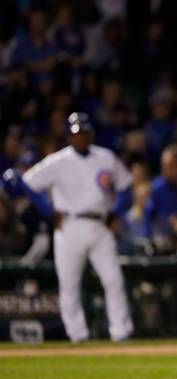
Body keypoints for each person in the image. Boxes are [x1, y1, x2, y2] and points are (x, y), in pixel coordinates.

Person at [5, 112, 133, 343]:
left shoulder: (105, 157)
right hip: (69, 225)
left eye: (84, 132)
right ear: (69, 136)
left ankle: (120, 332)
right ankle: (77, 335)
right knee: (69, 285)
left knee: (113, 279)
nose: (81, 137)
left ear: (91, 134)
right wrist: (47, 211)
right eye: (77, 133)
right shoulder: (57, 161)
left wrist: (116, 213)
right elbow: (28, 184)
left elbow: (126, 187)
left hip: (100, 224)